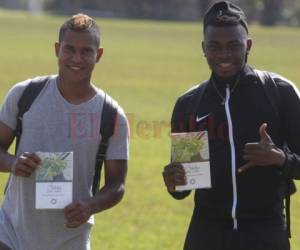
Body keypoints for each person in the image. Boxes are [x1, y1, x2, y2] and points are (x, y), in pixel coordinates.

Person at [163, 1, 300, 250]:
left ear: (248, 45)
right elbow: (184, 188)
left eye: (233, 45)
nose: (224, 55)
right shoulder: (190, 103)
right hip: (206, 233)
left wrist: (281, 159)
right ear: (204, 49)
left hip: (266, 231)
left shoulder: (280, 92)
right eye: (215, 47)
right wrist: (175, 182)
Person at [0, 13, 129, 250]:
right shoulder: (24, 94)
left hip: (70, 240)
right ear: (57, 49)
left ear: (98, 55)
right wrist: (13, 163)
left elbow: (117, 185)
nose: (76, 58)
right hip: (11, 232)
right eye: (69, 49)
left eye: (86, 51)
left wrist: (91, 205)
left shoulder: (112, 116)